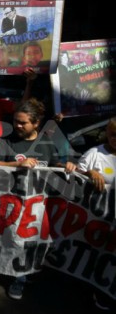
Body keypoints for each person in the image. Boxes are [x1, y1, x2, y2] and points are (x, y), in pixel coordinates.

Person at [0, 98, 66, 300]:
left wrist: (66, 166)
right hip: (10, 203)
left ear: (36, 123)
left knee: (30, 243)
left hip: (37, 205)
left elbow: (55, 163)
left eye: (23, 122)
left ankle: (23, 274)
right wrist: (16, 164)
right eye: (16, 121)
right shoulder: (4, 141)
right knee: (15, 242)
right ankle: (18, 278)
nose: (18, 126)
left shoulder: (47, 143)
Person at [75, 117, 116, 310]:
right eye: (113, 134)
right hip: (97, 218)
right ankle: (98, 290)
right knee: (98, 255)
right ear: (107, 133)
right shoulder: (94, 153)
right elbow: (74, 179)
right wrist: (90, 173)